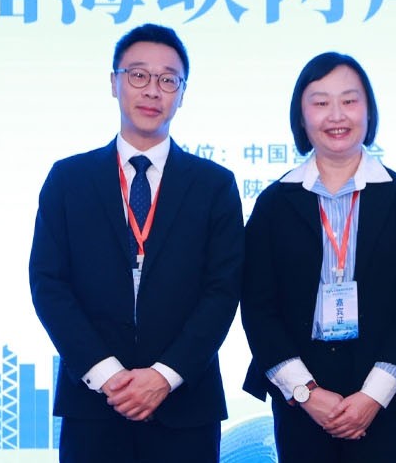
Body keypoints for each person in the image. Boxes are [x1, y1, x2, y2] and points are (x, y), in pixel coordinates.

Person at [28, 23, 242, 461]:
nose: (152, 90)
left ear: (182, 93)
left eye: (168, 79)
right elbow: (49, 284)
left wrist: (164, 376)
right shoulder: (69, 180)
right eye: (138, 75)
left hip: (185, 407)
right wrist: (108, 375)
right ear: (114, 82)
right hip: (94, 406)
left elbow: (223, 291)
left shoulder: (214, 185)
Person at [241, 52, 396, 462]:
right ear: (301, 116)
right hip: (300, 400)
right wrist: (305, 392)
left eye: (349, 101)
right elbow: (258, 308)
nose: (336, 115)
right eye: (320, 102)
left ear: (369, 111)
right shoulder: (274, 203)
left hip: (383, 398)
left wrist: (373, 395)